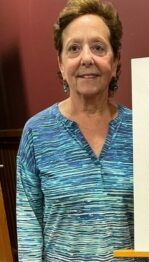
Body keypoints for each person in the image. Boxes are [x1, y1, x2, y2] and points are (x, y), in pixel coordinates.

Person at [16, 0, 142, 261]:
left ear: (116, 59)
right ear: (61, 64)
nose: (86, 58)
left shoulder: (141, 130)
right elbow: (28, 226)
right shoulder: (37, 133)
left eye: (98, 47)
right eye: (74, 49)